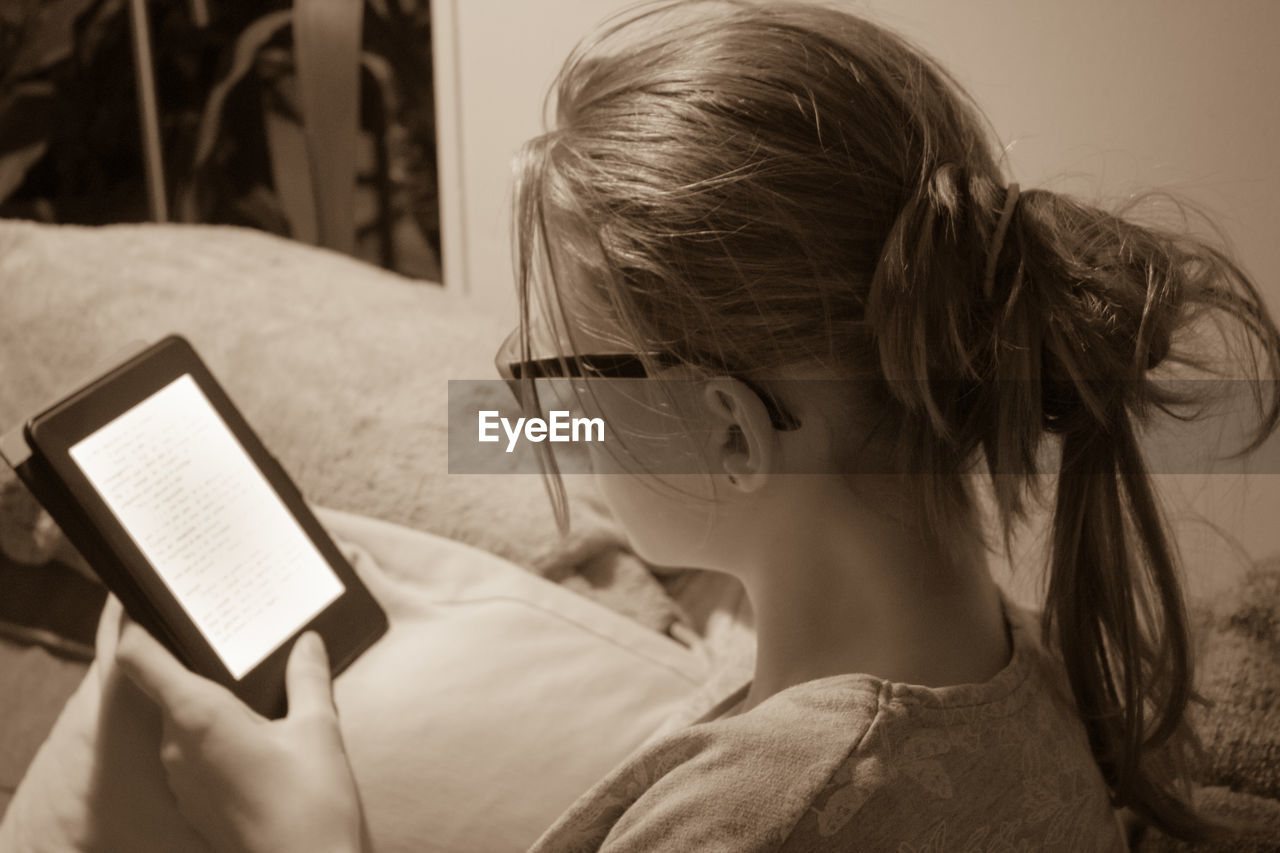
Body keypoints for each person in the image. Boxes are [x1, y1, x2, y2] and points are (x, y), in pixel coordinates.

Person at [114, 1, 1280, 850]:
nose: (534, 403)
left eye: (557, 365)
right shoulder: (1025, 668)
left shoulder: (755, 819)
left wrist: (298, 834)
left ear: (727, 435)